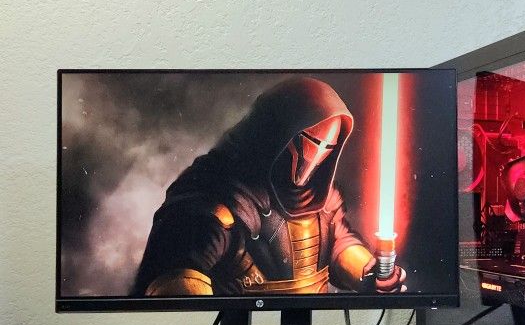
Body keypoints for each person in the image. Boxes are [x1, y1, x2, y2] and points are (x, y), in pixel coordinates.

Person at [132, 76, 406, 296]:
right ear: (280, 131)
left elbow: (339, 243)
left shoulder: (322, 197)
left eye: (328, 147)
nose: (316, 156)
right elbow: (177, 274)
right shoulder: (219, 191)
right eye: (311, 141)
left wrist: (368, 271)